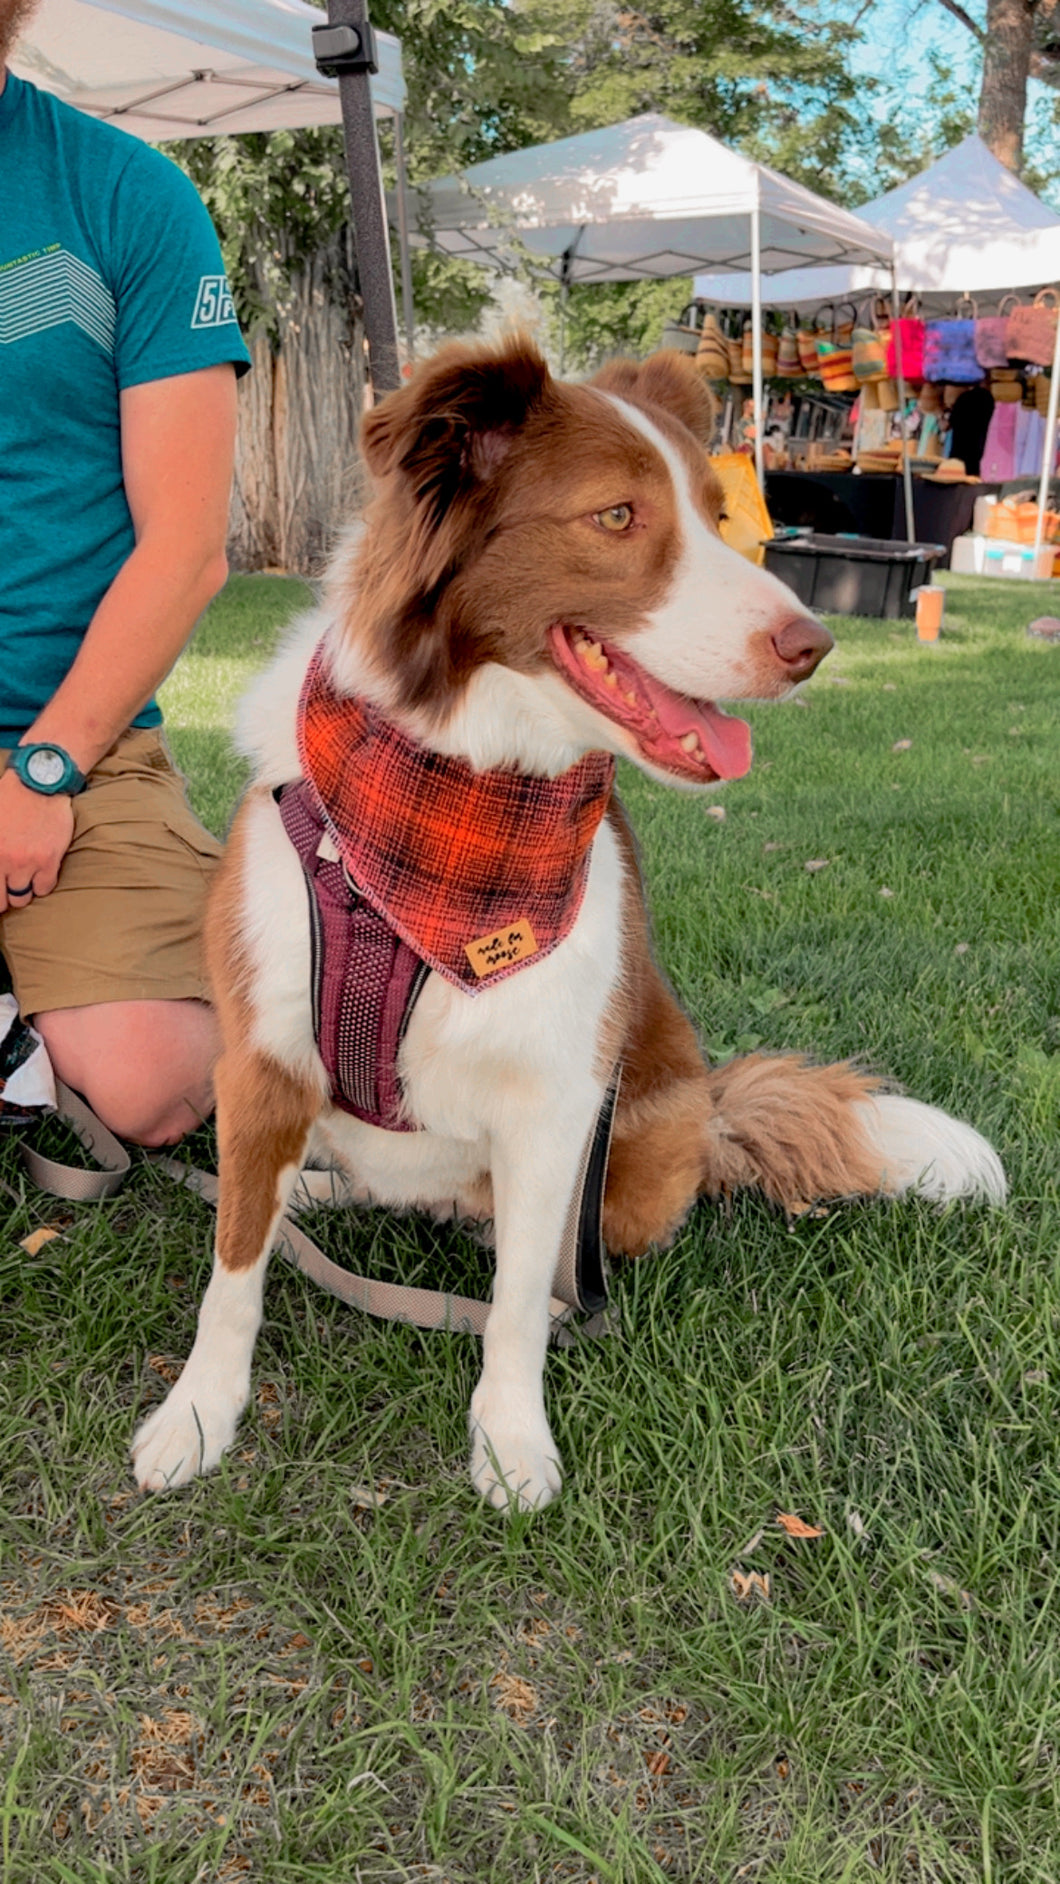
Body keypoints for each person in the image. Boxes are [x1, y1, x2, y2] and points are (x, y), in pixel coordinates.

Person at [0, 0, 251, 1144]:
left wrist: (45, 769)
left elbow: (187, 550)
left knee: (154, 1083)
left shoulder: (125, 194)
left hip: (75, 742)